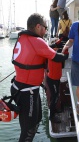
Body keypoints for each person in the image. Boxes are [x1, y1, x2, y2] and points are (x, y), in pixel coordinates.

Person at [10, 13, 68, 142]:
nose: (46, 30)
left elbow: (41, 51)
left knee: (36, 120)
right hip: (27, 92)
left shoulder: (22, 38)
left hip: (22, 88)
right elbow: (57, 57)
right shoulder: (36, 41)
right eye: (45, 27)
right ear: (38, 26)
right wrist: (69, 54)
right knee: (28, 130)